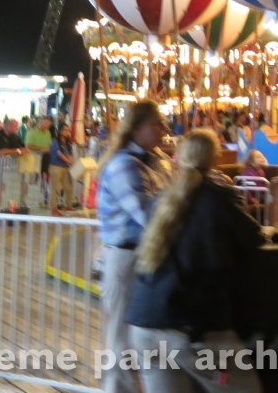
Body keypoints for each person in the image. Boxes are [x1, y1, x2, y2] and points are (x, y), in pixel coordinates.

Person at [126, 129, 266, 393]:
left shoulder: (160, 199)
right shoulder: (221, 198)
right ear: (214, 160)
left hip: (145, 323)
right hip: (192, 329)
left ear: (177, 158)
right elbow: (252, 237)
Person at [97, 102, 171, 393]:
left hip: (144, 257)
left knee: (142, 337)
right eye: (157, 124)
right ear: (138, 126)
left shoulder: (153, 161)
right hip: (126, 257)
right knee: (121, 340)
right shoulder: (125, 165)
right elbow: (148, 214)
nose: (163, 130)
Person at [49, 123, 75, 215]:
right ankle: (54, 207)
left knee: (69, 187)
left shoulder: (68, 143)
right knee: (55, 187)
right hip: (56, 166)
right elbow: (59, 154)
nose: (67, 132)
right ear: (60, 131)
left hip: (65, 167)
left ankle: (68, 205)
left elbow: (69, 154)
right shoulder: (55, 141)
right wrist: (69, 161)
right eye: (65, 130)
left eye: (68, 130)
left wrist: (70, 161)